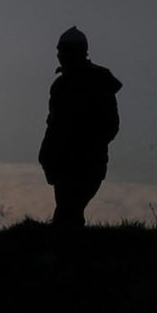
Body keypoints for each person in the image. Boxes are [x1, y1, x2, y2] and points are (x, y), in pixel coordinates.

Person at [38, 26, 122, 233]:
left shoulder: (99, 81)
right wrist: (46, 156)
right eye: (59, 52)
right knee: (68, 214)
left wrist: (86, 146)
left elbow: (110, 125)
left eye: (63, 52)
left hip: (87, 162)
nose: (59, 56)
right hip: (62, 162)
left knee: (68, 213)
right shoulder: (60, 86)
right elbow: (54, 125)